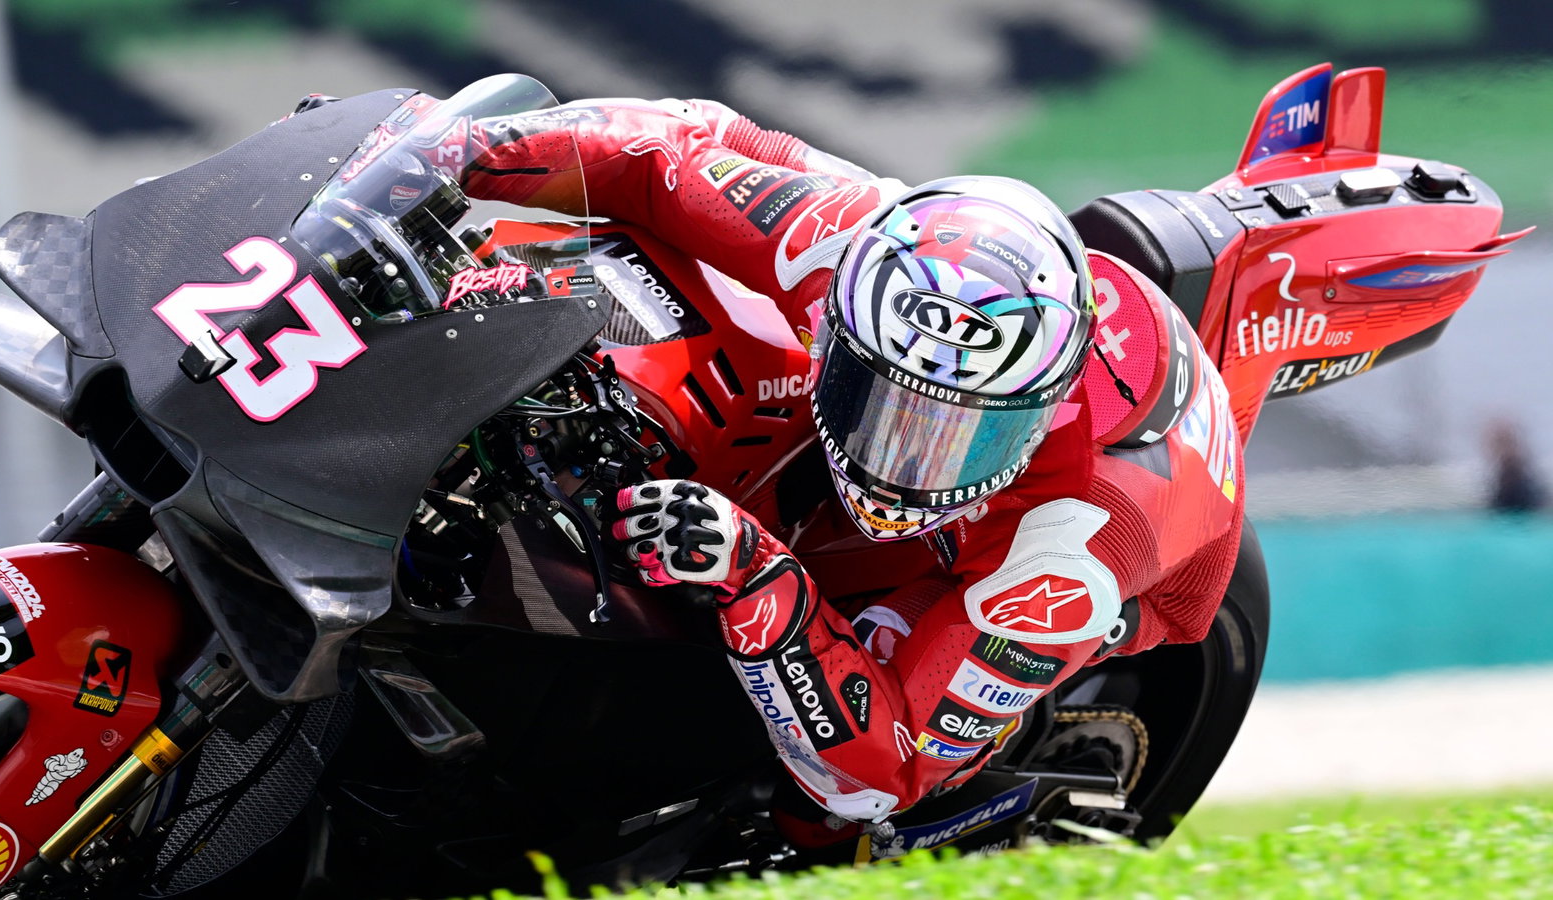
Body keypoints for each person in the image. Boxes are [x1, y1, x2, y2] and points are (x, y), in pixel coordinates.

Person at [387, 91, 1247, 832]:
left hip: (1111, 561)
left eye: (962, 436)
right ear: (840, 323)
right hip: (921, 277)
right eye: (881, 401)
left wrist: (757, 575)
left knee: (824, 813)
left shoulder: (1073, 545)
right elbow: (664, 151)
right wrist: (451, 153)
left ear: (1041, 415)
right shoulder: (846, 247)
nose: (902, 463)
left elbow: (882, 775)